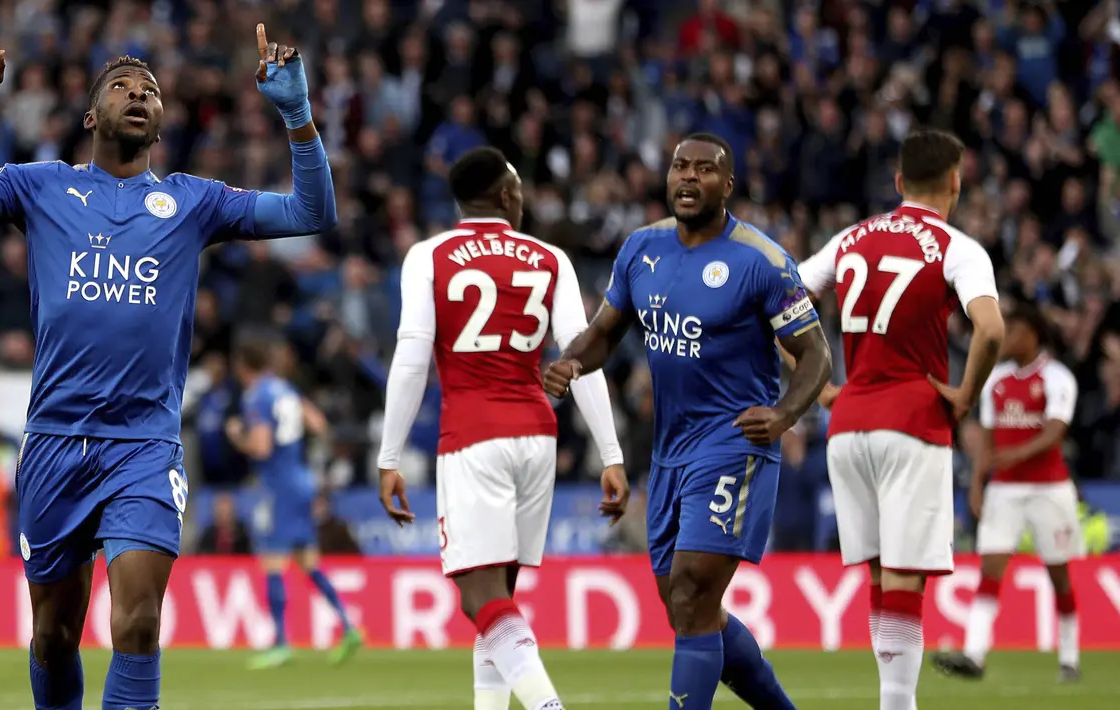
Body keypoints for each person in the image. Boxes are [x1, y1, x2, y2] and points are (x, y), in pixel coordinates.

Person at [0, 17, 336, 710]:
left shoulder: (195, 200)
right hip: (53, 446)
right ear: (91, 113)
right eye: (123, 87)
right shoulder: (38, 187)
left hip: (144, 446)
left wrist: (297, 115)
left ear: (160, 123)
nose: (139, 95)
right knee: (53, 635)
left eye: (151, 91)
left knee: (136, 622)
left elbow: (313, 212)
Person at [544, 133, 832, 710]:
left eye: (704, 169)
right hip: (670, 452)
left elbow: (816, 354)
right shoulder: (640, 250)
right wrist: (574, 360)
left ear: (727, 186)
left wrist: (783, 416)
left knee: (695, 589)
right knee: (686, 608)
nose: (688, 177)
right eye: (680, 166)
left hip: (734, 443)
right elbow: (606, 332)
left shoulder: (763, 262)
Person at [376, 146, 627, 710]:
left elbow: (412, 357)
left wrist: (389, 456)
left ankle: (547, 707)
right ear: (507, 195)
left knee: (480, 599)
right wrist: (610, 452)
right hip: (537, 435)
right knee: (500, 597)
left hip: (472, 435)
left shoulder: (428, 255)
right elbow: (579, 357)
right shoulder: (549, 257)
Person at [796, 128, 1005, 710]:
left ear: (898, 182)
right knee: (907, 577)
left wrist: (819, 386)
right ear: (956, 182)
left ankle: (895, 702)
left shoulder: (851, 237)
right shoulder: (957, 247)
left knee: (883, 578)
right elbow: (991, 329)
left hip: (848, 427)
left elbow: (781, 304)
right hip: (911, 423)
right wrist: (964, 395)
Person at [932, 302, 1082, 682]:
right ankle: (975, 654)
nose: (1005, 338)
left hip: (1050, 488)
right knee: (990, 570)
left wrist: (1017, 452)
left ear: (1032, 335)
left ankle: (1069, 657)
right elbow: (987, 436)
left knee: (1058, 574)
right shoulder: (995, 379)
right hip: (1005, 490)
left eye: (1012, 330)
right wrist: (978, 482)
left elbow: (1055, 430)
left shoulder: (1057, 377)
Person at [225, 334, 362, 669]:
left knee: (272, 561)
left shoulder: (256, 396)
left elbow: (261, 448)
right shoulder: (285, 389)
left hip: (278, 486)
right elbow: (318, 423)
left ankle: (282, 642)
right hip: (302, 479)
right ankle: (348, 625)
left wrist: (236, 436)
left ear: (242, 365)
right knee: (307, 561)